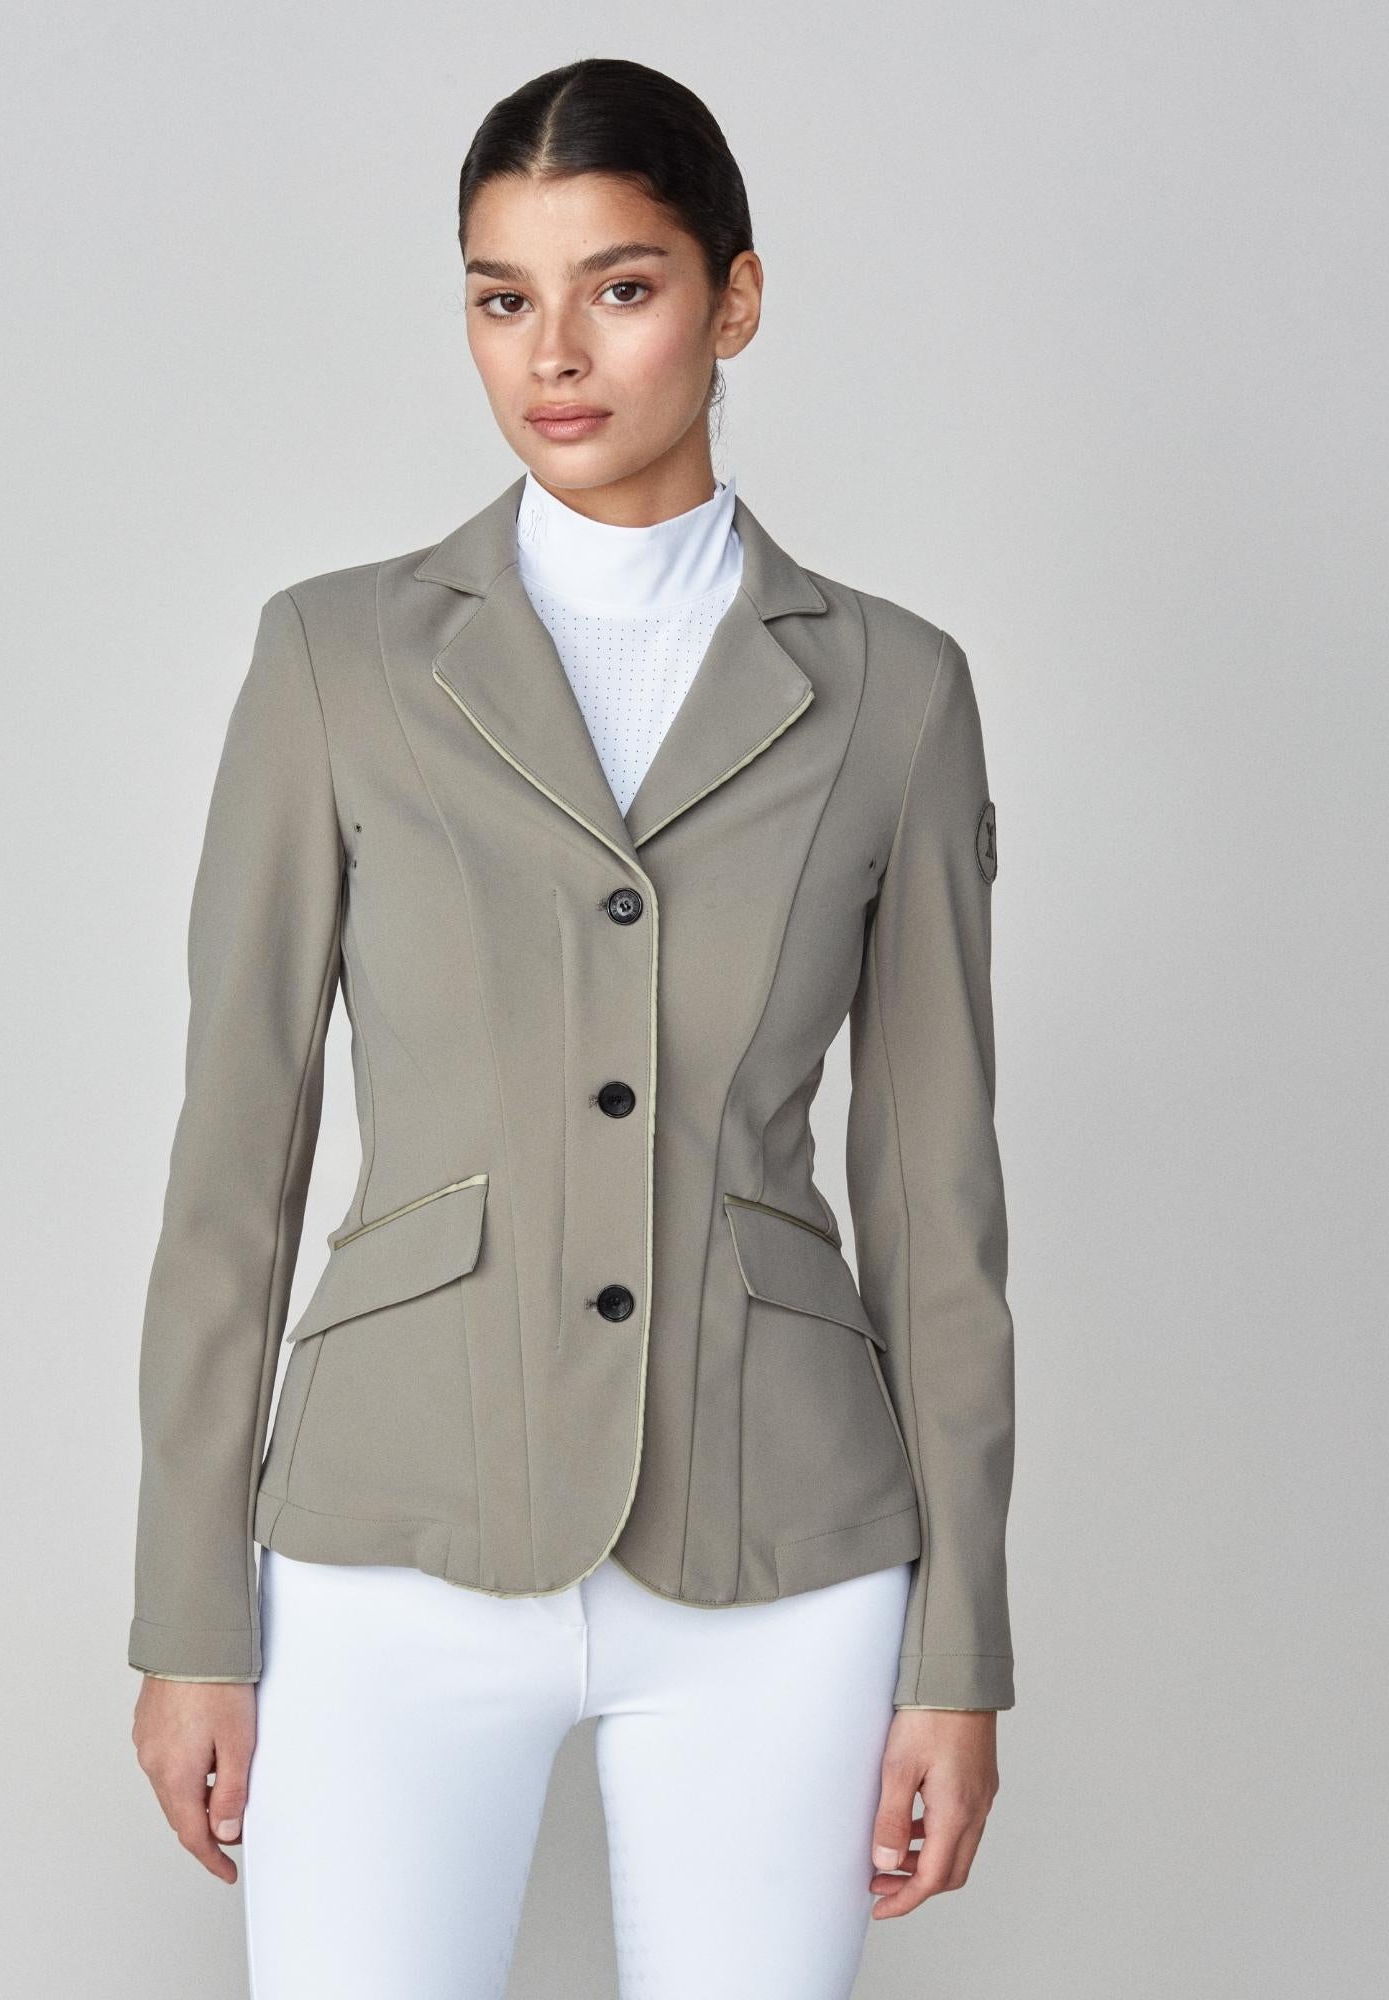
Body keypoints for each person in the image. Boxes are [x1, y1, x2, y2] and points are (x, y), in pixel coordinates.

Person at [130, 55, 1014, 2000]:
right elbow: (234, 1162)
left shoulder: (894, 690)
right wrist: (189, 1609)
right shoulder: (335, 658)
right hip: (391, 1528)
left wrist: (958, 1656)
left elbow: (934, 1206)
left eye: (619, 287)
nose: (554, 353)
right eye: (500, 296)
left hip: (780, 1542)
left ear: (734, 297)